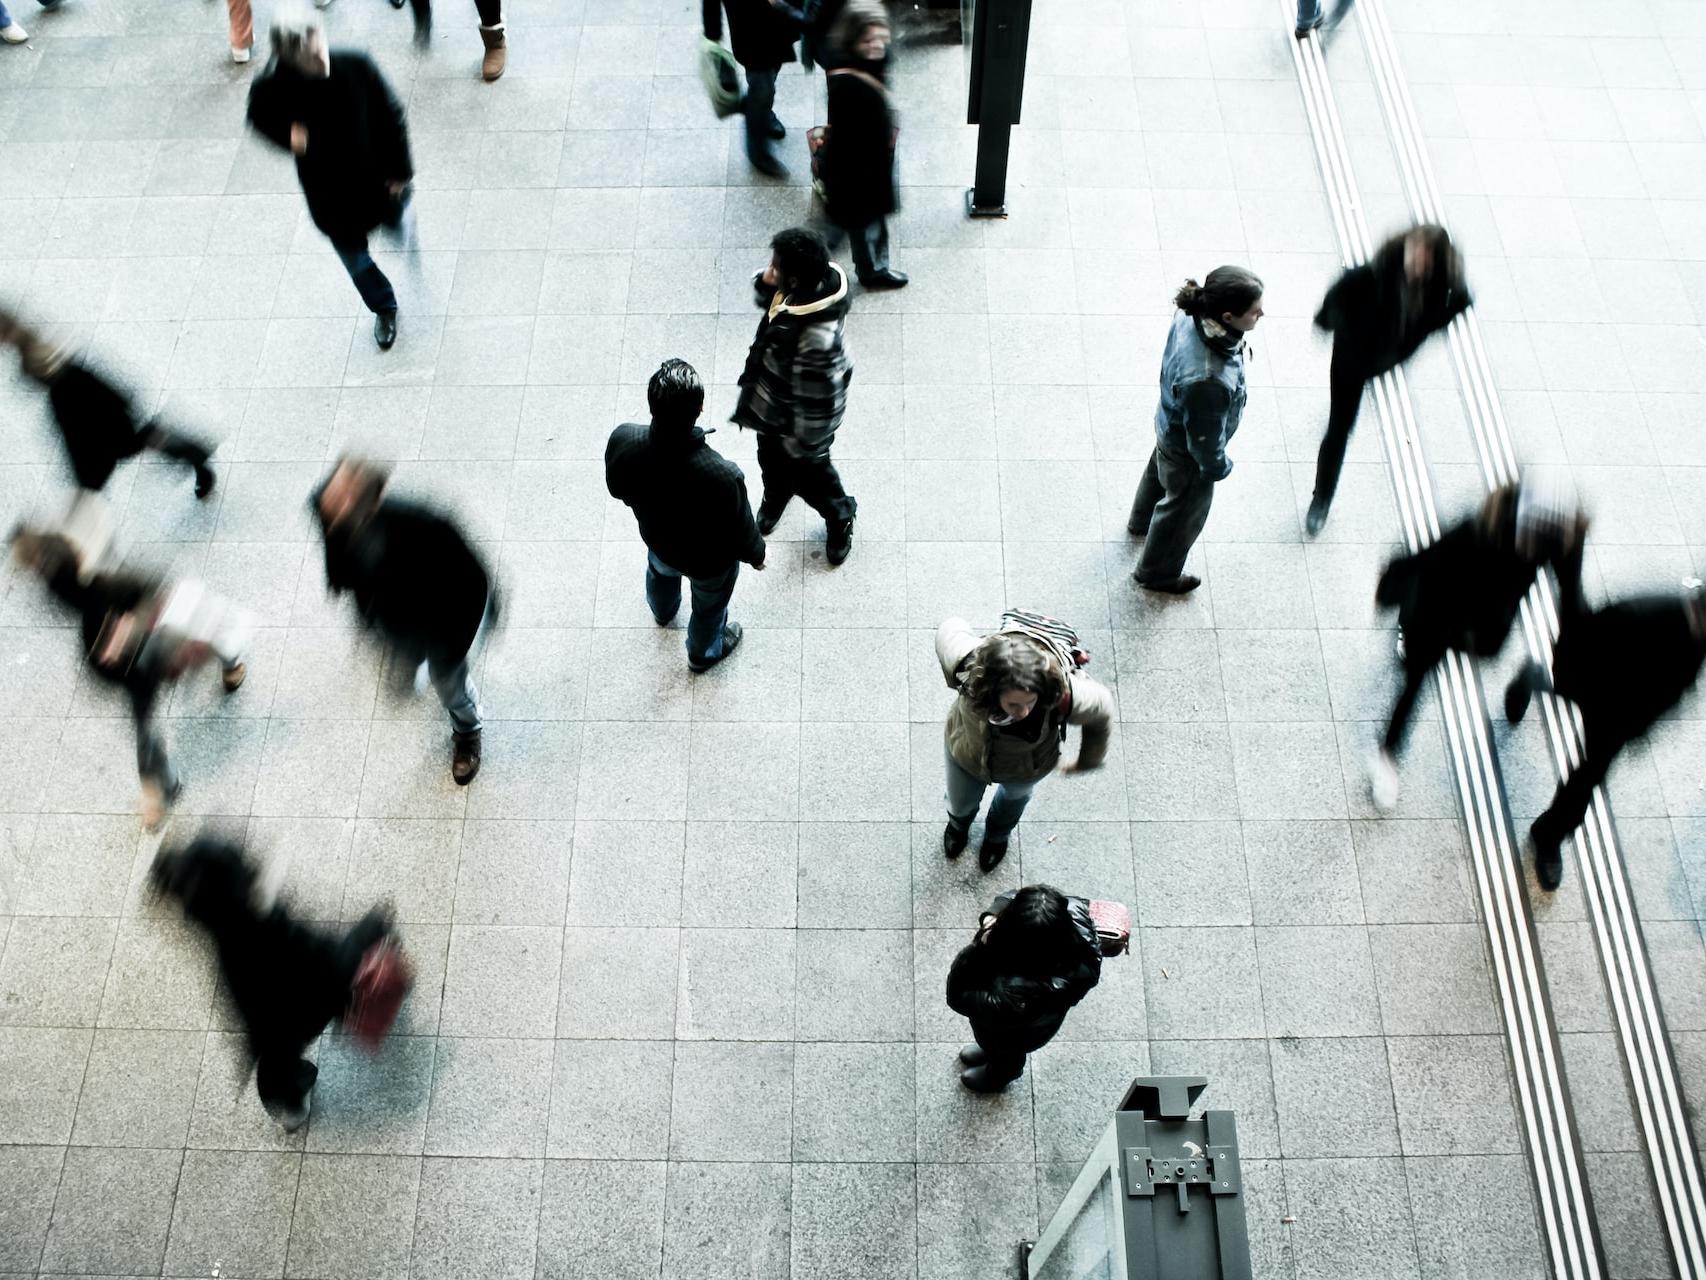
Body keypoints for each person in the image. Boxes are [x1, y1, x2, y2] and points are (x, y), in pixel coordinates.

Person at [152, 837, 410, 1131]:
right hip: (322, 988)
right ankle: (382, 936)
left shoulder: (228, 946)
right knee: (364, 940)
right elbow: (320, 952)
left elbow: (248, 1011)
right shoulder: (266, 920)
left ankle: (292, 1105)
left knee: (275, 1075)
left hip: (282, 1028)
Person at [12, 524, 252, 830]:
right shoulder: (88, 600)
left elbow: (156, 592)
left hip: (150, 649)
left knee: (203, 638)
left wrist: (129, 630)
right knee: (145, 724)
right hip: (137, 666)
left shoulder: (109, 586)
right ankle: (162, 785)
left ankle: (161, 787)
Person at [1372, 477, 1587, 813]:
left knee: (1468, 654)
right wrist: (1393, 585)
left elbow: (1572, 599)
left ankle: (1522, 679)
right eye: (1531, 537)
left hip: (1486, 627)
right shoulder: (1478, 530)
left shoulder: (1561, 539)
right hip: (1440, 609)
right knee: (1415, 678)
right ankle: (1388, 755)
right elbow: (1429, 560)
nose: (1534, 548)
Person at [1507, 580, 1706, 891]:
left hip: (1618, 718)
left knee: (1587, 778)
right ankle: (1532, 678)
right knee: (1562, 692)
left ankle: (1548, 835)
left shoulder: (1699, 640)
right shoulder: (1650, 610)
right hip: (1596, 684)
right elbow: (1591, 630)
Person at [311, 457, 493, 785]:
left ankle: (467, 731)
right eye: (331, 498)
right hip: (394, 621)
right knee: (408, 668)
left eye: (343, 497)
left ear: (373, 498)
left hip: (441, 624)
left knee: (448, 681)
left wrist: (454, 645)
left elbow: (473, 579)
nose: (331, 505)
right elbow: (337, 558)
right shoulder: (330, 514)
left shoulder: (425, 524)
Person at [246, 9, 416, 351]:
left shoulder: (355, 65)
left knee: (393, 220)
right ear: (290, 58)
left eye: (319, 45)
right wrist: (289, 138)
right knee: (355, 260)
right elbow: (258, 117)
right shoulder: (275, 86)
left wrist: (400, 173)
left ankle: (398, 226)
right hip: (330, 195)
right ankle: (384, 306)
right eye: (310, 55)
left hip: (376, 180)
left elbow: (392, 115)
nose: (321, 58)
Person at [1308, 223, 1471, 535]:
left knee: (1340, 425)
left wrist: (1425, 330)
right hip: (1351, 362)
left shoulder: (1441, 289)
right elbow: (1330, 309)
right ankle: (1322, 500)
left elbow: (1456, 306)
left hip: (1387, 358)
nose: (1419, 263)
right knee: (1340, 428)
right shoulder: (1368, 277)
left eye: (1428, 259)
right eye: (1417, 253)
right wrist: (1334, 322)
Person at [606, 360, 767, 673]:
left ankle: (662, 611)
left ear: (652, 402)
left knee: (660, 573)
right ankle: (702, 652)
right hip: (709, 564)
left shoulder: (624, 440)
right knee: (709, 608)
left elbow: (617, 488)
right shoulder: (721, 474)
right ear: (699, 409)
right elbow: (741, 530)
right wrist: (758, 555)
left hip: (658, 540)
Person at [935, 616, 1114, 872]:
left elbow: (1102, 705)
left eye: (1031, 702)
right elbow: (949, 629)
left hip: (1028, 764)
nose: (1024, 713)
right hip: (966, 749)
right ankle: (958, 825)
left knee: (1014, 799)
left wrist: (1088, 761)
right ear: (991, 691)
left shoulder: (1060, 691)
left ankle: (997, 837)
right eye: (1014, 704)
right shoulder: (970, 668)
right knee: (960, 799)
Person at [1128, 268, 1264, 595]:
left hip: (1169, 424)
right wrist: (1218, 466)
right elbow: (1203, 441)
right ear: (1229, 317)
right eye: (1255, 311)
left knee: (1158, 476)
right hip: (1189, 451)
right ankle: (1157, 573)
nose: (1262, 313)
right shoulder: (1208, 379)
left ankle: (1140, 523)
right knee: (1183, 510)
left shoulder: (1193, 313)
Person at [734, 227, 858, 565]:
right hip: (774, 407)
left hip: (802, 430)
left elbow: (823, 404)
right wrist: (767, 282)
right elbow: (771, 304)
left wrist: (804, 448)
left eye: (775, 269)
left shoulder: (818, 341)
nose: (768, 271)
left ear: (793, 281)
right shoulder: (800, 292)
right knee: (770, 462)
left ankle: (840, 516)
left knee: (814, 479)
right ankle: (776, 493)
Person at [0, 308, 218, 500]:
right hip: (84, 402)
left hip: (82, 405)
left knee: (114, 456)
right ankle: (193, 453)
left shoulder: (36, 350)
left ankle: (194, 452)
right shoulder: (29, 346)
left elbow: (65, 376)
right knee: (125, 447)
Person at [946, 885, 1103, 1093]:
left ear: (1014, 941)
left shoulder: (1016, 995)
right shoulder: (1069, 919)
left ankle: (998, 1076)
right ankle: (989, 1053)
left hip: (1013, 1033)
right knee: (995, 1046)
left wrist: (977, 948)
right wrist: (993, 913)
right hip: (1037, 1024)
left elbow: (958, 996)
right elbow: (1016, 898)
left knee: (1005, 1054)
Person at [819, 2, 907, 290]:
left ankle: (861, 259)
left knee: (862, 219)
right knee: (862, 219)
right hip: (857, 169)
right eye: (868, 40)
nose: (877, 45)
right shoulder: (847, 81)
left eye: (881, 37)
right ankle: (871, 271)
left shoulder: (866, 61)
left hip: (868, 160)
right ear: (853, 39)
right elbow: (849, 138)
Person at [703, 0, 802, 177]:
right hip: (750, 32)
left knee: (771, 74)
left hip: (778, 23)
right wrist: (712, 33)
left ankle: (763, 113)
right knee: (762, 87)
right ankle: (757, 152)